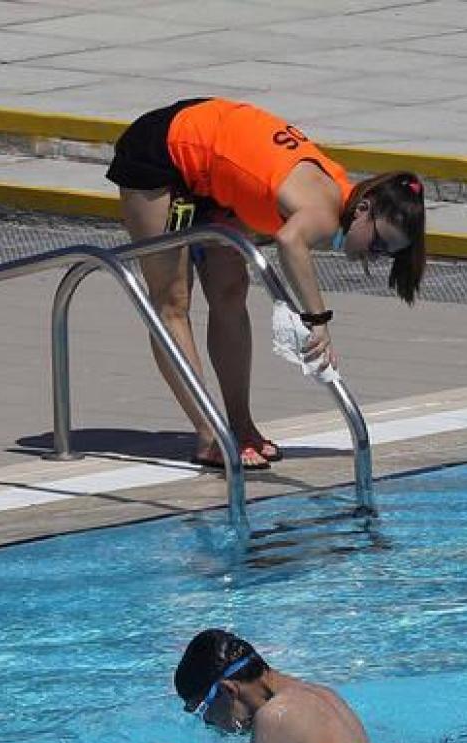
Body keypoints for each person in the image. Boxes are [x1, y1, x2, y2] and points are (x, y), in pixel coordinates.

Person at [107, 97, 428, 470]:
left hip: (211, 174)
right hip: (162, 151)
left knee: (230, 291)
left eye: (386, 254)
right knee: (172, 303)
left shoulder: (333, 189)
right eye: (378, 243)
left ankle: (241, 427)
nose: (374, 255)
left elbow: (256, 179)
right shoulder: (323, 212)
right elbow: (290, 241)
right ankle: (210, 435)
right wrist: (317, 320)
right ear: (364, 209)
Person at [174, 628, 372, 743]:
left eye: (202, 708)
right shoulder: (323, 694)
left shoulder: (274, 717)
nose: (208, 723)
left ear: (228, 691)